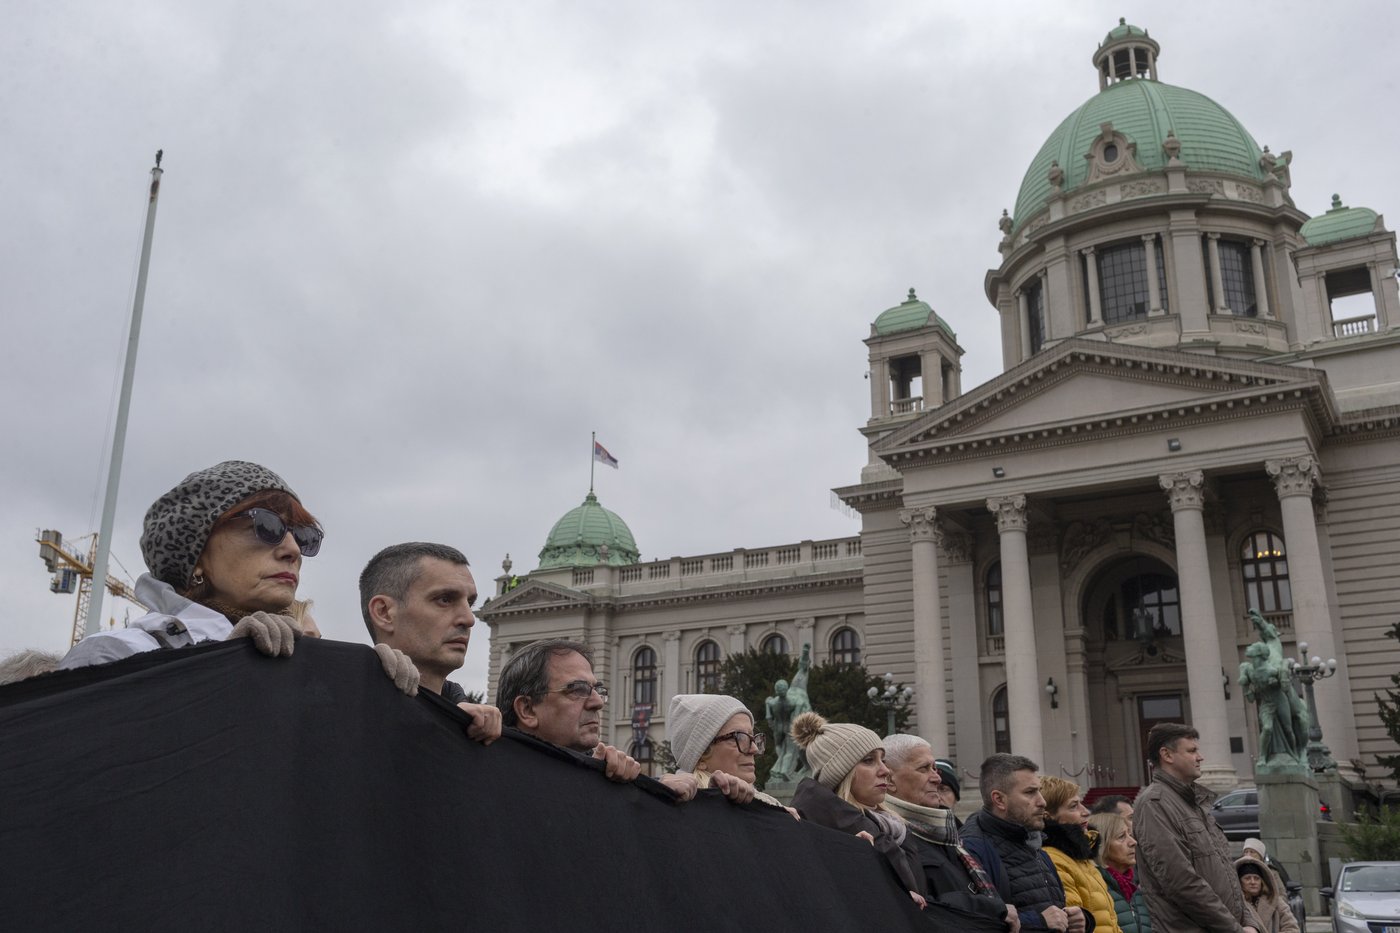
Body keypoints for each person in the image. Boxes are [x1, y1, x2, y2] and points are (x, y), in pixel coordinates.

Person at [56, 461, 416, 694]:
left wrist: (383, 700)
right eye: (267, 525)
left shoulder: (310, 665)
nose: (292, 548)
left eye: (301, 535)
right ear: (196, 556)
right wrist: (221, 668)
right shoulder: (115, 656)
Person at [496, 638, 697, 798]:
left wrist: (655, 791)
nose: (598, 702)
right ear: (528, 709)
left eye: (597, 689)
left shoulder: (607, 776)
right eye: (577, 689)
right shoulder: (490, 783)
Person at [360, 542, 502, 745]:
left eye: (469, 603)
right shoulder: (336, 710)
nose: (469, 619)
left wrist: (448, 715)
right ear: (384, 612)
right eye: (445, 600)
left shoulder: (476, 731)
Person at [789, 711, 927, 909]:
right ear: (841, 773)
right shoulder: (833, 833)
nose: (885, 771)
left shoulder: (888, 825)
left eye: (883, 760)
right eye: (869, 760)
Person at [1133, 723, 1260, 933]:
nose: (1200, 757)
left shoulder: (1194, 803)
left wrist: (1250, 922)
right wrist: (1235, 929)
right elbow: (1181, 882)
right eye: (1192, 751)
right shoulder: (1154, 804)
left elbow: (1227, 874)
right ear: (1167, 755)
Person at [882, 734, 1016, 928]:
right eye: (924, 769)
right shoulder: (889, 837)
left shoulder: (945, 832)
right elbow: (917, 908)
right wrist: (992, 908)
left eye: (934, 768)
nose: (937, 778)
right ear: (889, 780)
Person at [961, 754, 1086, 933]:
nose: (1042, 801)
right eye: (1030, 792)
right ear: (999, 800)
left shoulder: (1034, 843)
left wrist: (1079, 921)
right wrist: (1039, 921)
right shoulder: (974, 848)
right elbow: (975, 923)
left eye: (1039, 791)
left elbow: (1053, 914)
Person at [666, 693, 790, 809]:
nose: (754, 749)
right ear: (701, 756)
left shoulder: (770, 807)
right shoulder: (677, 807)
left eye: (752, 737)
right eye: (739, 737)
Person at [1040, 776, 1122, 933]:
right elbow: (1075, 925)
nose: (1085, 812)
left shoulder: (1079, 857)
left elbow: (1109, 921)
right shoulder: (1055, 859)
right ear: (1048, 816)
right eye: (1073, 807)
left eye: (1081, 804)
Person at [1088, 811, 1152, 933]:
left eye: (1129, 834)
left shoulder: (1133, 889)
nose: (1133, 842)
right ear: (1102, 846)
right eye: (1121, 837)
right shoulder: (1094, 892)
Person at [1234, 856, 1299, 933]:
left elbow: (1292, 928)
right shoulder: (1236, 904)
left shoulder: (1275, 901)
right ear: (1239, 882)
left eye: (1256, 878)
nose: (1253, 882)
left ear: (1262, 881)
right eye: (1247, 878)